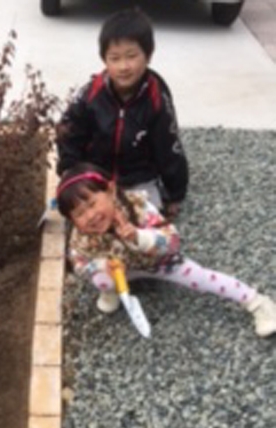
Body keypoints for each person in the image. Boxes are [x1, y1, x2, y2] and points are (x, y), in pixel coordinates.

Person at [57, 163, 276, 338]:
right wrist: (99, 265)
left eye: (93, 203)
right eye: (79, 214)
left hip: (159, 262)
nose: (90, 216)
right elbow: (78, 263)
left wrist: (138, 237)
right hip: (121, 269)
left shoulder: (138, 207)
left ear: (111, 190)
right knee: (101, 279)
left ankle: (256, 302)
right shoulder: (81, 235)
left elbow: (172, 241)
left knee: (201, 278)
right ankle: (112, 289)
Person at [56, 7, 188, 219]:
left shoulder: (157, 99)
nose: (123, 66)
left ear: (148, 55)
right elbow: (69, 132)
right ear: (104, 60)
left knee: (144, 222)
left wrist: (175, 192)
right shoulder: (91, 94)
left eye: (131, 56)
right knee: (90, 220)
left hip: (139, 178)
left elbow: (169, 147)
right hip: (96, 176)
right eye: (114, 58)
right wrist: (69, 172)